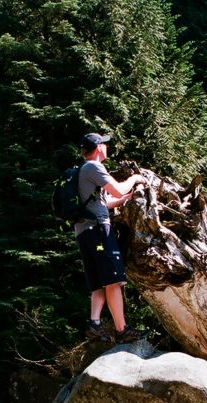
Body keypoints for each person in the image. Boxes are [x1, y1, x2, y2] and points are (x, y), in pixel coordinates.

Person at [74, 132, 144, 343]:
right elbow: (119, 188)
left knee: (99, 282)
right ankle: (121, 329)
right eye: (104, 144)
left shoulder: (81, 172)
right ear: (97, 148)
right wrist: (134, 179)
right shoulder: (93, 167)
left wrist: (126, 198)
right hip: (98, 230)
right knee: (113, 280)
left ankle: (94, 323)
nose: (106, 147)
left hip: (85, 233)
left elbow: (106, 201)